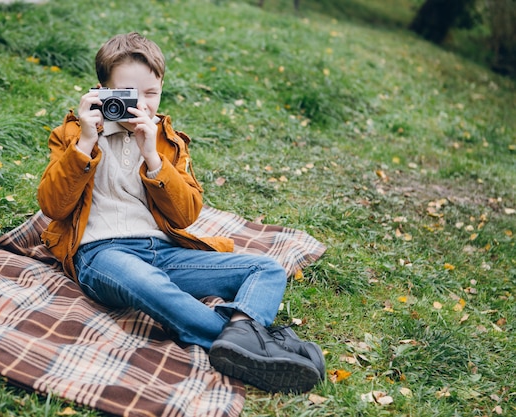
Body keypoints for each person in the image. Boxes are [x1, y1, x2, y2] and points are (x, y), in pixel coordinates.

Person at [37, 32, 325, 393]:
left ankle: (242, 340)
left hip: (164, 252)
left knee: (265, 268)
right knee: (150, 285)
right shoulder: (73, 133)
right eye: (129, 95)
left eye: (151, 95)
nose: (142, 105)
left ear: (161, 89)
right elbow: (53, 206)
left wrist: (153, 158)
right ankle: (257, 343)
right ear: (102, 91)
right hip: (101, 253)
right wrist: (84, 143)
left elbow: (186, 215)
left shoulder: (166, 140)